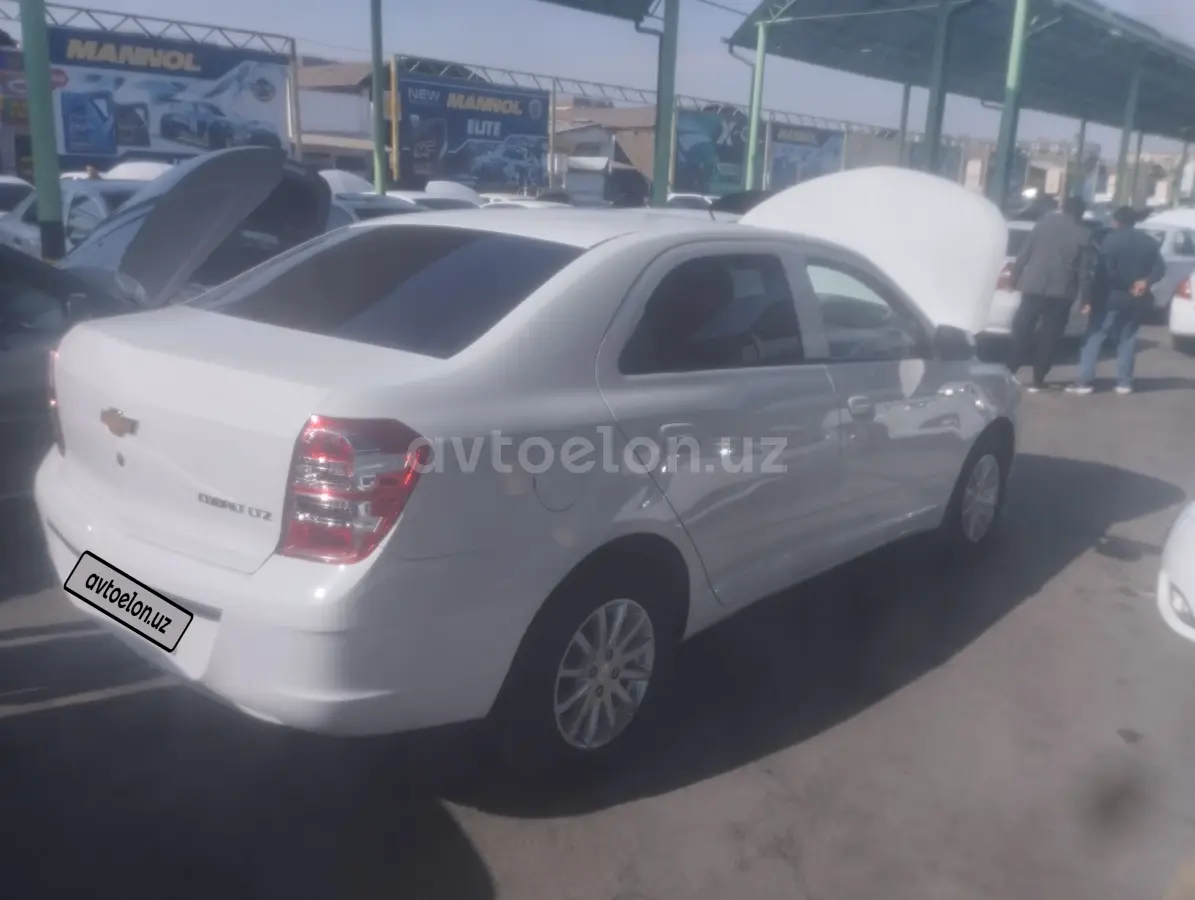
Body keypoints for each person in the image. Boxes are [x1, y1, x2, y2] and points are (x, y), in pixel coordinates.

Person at [1067, 205, 1165, 395]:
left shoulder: (1109, 241)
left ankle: (1085, 381)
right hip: (1137, 298)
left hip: (1109, 297)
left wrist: (1088, 298)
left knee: (1094, 336)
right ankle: (1124, 382)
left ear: (1115, 221)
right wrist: (1145, 281)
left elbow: (1104, 273)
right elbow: (1160, 269)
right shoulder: (1149, 242)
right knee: (1127, 338)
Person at [1007, 195, 1089, 391]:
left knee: (1022, 331)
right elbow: (1084, 271)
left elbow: (1024, 254)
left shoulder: (1042, 226)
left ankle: (1010, 372)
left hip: (1034, 286)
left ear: (1063, 208)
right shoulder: (1084, 234)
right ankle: (1038, 378)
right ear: (1081, 213)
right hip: (1062, 292)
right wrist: (1085, 298)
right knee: (1050, 336)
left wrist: (1014, 277)